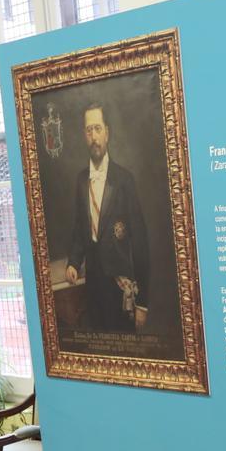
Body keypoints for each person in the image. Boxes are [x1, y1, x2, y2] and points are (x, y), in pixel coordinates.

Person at [65, 102, 150, 331]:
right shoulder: (81, 181)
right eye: (89, 130)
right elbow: (79, 229)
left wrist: (142, 303)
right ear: (85, 135)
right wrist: (73, 262)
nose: (94, 136)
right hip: (93, 286)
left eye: (98, 129)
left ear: (107, 133)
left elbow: (140, 243)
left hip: (119, 288)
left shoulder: (125, 180)